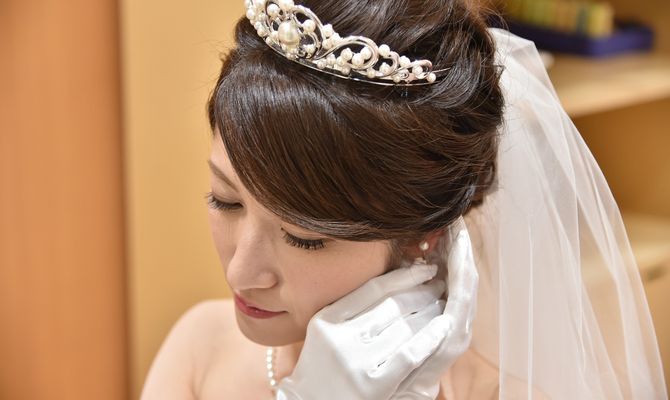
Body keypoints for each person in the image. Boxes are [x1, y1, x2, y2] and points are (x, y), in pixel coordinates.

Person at [141, 0, 668, 398]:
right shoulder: (202, 346)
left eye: (303, 238)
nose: (241, 272)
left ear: (423, 237)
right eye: (226, 201)